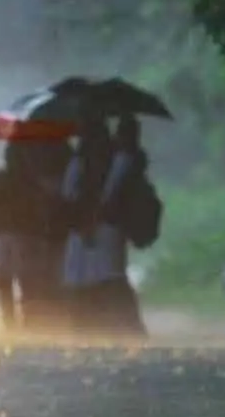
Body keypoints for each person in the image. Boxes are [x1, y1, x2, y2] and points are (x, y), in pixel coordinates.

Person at [58, 116, 153, 337]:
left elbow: (74, 197)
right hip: (99, 227)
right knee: (105, 279)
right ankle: (106, 326)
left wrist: (86, 223)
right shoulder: (117, 159)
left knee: (102, 280)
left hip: (96, 227)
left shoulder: (99, 161)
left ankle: (100, 326)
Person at [0, 141, 71, 330]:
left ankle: (17, 319)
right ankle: (17, 319)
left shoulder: (21, 181)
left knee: (18, 280)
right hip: (14, 237)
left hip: (19, 237)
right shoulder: (13, 181)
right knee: (15, 280)